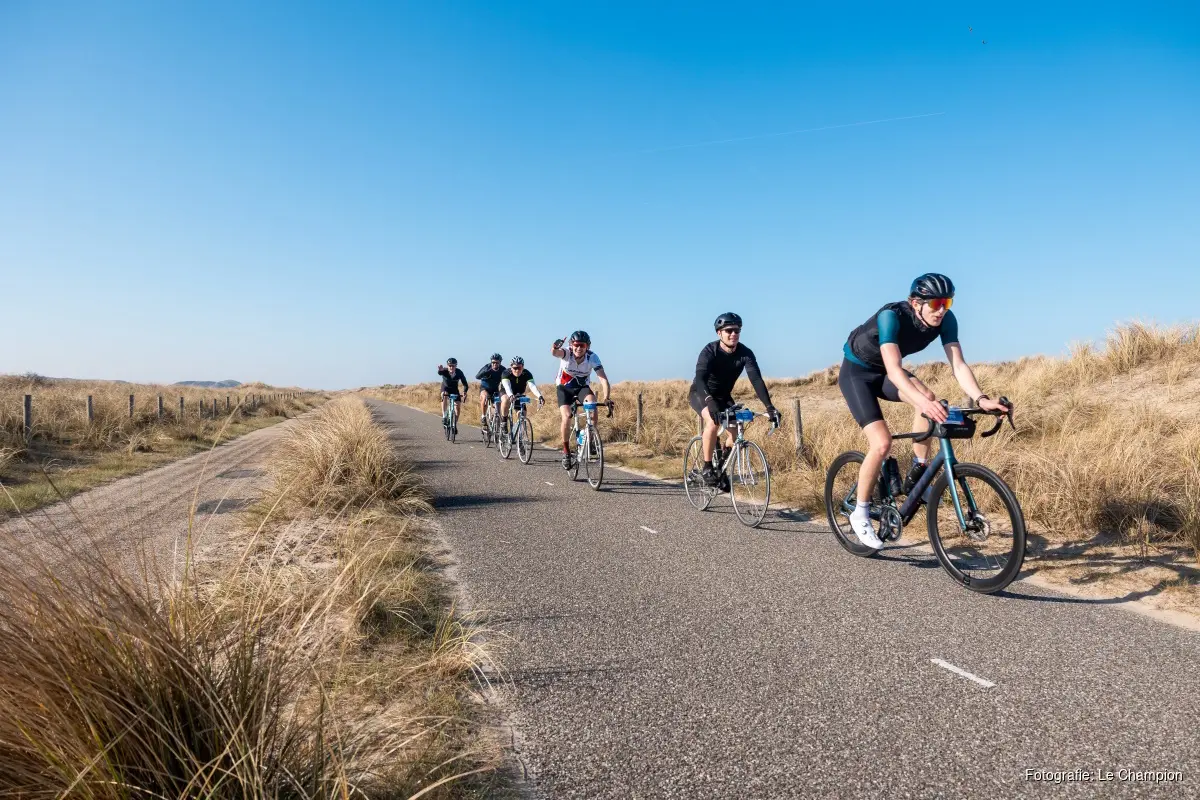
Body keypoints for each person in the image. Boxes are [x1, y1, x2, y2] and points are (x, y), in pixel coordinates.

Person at [839, 273, 1010, 550]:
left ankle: (918, 472)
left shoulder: (947, 320)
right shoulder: (891, 317)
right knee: (882, 443)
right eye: (936, 304)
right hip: (857, 374)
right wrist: (923, 404)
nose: (942, 310)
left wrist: (981, 399)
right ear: (915, 303)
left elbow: (958, 365)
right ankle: (860, 512)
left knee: (929, 398)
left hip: (885, 374)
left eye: (947, 302)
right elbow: (895, 369)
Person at [689, 313, 781, 486]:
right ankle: (707, 467)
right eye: (729, 331)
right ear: (719, 333)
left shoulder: (745, 353)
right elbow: (700, 378)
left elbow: (756, 380)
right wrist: (709, 400)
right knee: (713, 422)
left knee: (737, 430)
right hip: (701, 394)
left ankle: (720, 469)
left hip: (724, 396)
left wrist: (769, 407)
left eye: (737, 331)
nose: (733, 334)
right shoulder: (709, 351)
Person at [550, 331, 610, 469]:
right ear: (571, 345)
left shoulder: (592, 357)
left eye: (582, 345)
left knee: (593, 406)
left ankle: (590, 439)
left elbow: (603, 379)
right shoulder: (567, 353)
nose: (578, 348)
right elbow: (555, 353)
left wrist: (606, 398)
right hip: (564, 388)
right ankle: (566, 451)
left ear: (587, 346)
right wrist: (554, 347)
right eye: (576, 345)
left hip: (582, 388)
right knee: (567, 416)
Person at [499, 356, 545, 430]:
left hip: (518, 394)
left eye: (519, 368)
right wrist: (510, 395)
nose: (517, 370)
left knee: (522, 414)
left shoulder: (527, 374)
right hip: (506, 392)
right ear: (511, 367)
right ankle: (504, 421)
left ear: (523, 367)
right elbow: (507, 387)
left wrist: (540, 396)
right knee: (506, 399)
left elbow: (532, 386)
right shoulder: (506, 373)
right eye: (515, 368)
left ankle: (521, 432)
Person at [436, 358, 469, 434]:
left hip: (454, 389)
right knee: (444, 395)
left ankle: (454, 424)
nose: (451, 367)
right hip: (445, 388)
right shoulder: (444, 371)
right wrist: (440, 370)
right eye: (449, 366)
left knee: (457, 407)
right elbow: (440, 373)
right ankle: (444, 416)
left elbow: (465, 383)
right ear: (447, 366)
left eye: (453, 366)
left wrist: (465, 391)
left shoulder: (459, 372)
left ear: (456, 366)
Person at [475, 353, 505, 428]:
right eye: (493, 362)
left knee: (498, 404)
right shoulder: (487, 367)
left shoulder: (503, 369)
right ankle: (483, 416)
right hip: (484, 388)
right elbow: (477, 376)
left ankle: (496, 421)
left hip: (495, 389)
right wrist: (485, 372)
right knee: (485, 397)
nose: (494, 364)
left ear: (500, 362)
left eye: (497, 362)